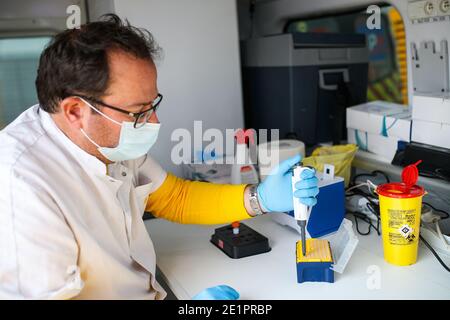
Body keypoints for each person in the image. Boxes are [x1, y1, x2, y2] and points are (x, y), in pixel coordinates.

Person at [0, 14, 318, 300]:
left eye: (153, 105)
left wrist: (259, 198)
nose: (153, 123)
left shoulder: (106, 141)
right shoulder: (21, 186)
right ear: (75, 111)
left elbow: (174, 197)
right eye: (138, 111)